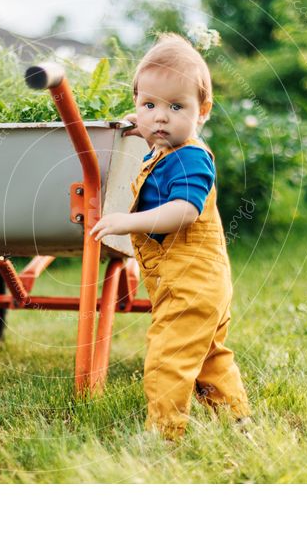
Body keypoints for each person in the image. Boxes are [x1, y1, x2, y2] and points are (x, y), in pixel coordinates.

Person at [89, 33, 251, 440]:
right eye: (150, 105)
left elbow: (185, 211)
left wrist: (128, 223)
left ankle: (164, 434)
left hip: (192, 283)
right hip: (192, 284)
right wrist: (135, 121)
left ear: (203, 112)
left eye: (176, 107)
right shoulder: (162, 144)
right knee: (208, 356)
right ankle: (236, 419)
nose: (160, 118)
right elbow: (150, 120)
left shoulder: (192, 157)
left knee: (168, 358)